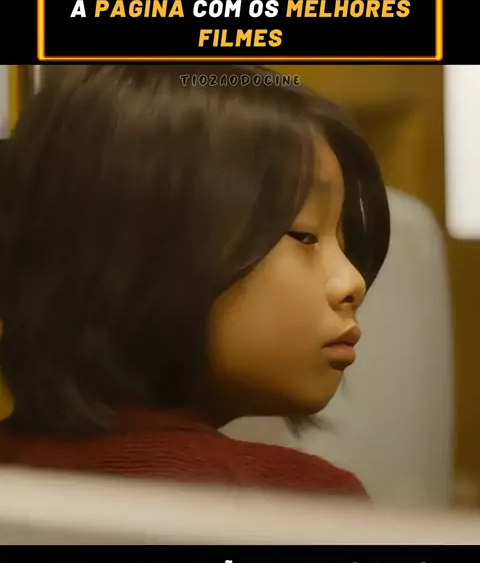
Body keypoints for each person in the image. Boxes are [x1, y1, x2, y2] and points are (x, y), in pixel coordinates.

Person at [0, 65, 390, 498]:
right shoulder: (297, 504)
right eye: (304, 235)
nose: (352, 281)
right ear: (146, 248)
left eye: (344, 242)